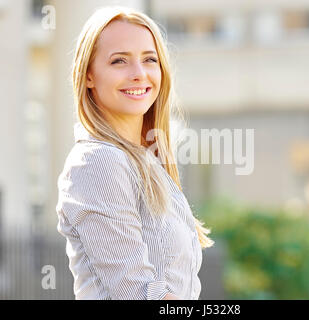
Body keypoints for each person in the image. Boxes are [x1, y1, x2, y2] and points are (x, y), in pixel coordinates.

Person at [56, 6, 214, 300]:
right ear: (89, 75)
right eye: (119, 61)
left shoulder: (147, 162)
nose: (139, 74)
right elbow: (139, 294)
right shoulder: (98, 162)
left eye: (149, 60)